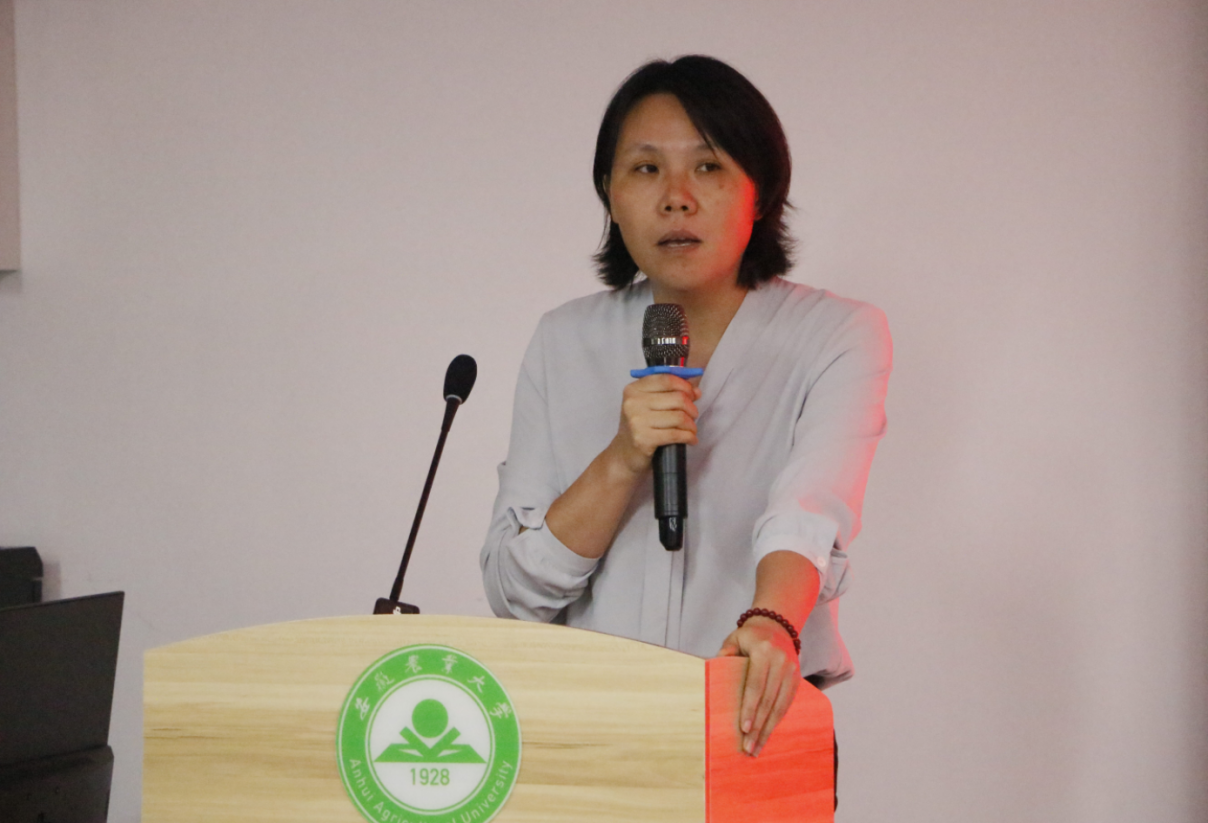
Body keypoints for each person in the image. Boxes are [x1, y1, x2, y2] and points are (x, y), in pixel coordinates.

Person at [480, 55, 892, 762]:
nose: (676, 198)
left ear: (761, 191)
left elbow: (807, 512)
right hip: (587, 741)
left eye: (708, 167)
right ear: (610, 195)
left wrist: (770, 620)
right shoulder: (563, 340)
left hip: (751, 725)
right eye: (645, 169)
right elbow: (517, 591)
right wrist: (621, 459)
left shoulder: (836, 335)